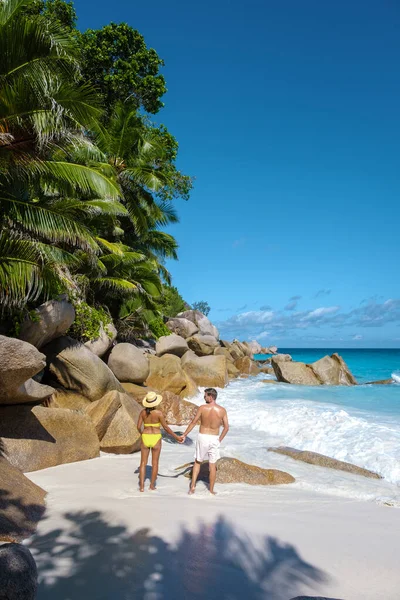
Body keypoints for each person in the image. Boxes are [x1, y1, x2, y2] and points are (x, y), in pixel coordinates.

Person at [181, 387, 229, 495]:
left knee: (198, 462)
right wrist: (219, 440)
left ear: (211, 397)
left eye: (205, 395)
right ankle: (211, 490)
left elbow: (193, 422)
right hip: (214, 438)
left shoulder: (202, 408)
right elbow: (226, 427)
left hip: (203, 436)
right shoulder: (222, 410)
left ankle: (192, 487)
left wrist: (184, 434)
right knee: (212, 465)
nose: (204, 397)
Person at [137, 391, 183, 492]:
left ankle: (141, 487)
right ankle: (152, 486)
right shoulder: (159, 413)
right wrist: (176, 437)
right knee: (155, 463)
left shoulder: (143, 413)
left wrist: (142, 434)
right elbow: (166, 428)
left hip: (145, 436)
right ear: (155, 402)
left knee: (143, 463)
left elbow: (138, 426)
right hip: (156, 438)